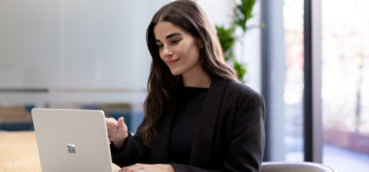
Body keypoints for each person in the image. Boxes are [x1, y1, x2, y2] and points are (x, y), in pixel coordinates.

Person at [106, 0, 265, 171]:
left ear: (201, 40)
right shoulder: (164, 96)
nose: (165, 52)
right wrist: (121, 139)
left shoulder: (244, 101)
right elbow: (142, 160)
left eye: (174, 41)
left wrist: (171, 170)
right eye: (160, 45)